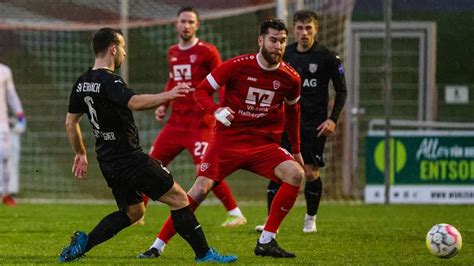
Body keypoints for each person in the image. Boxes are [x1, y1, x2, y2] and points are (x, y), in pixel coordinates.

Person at [58, 27, 236, 264]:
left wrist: (80, 153)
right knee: (180, 199)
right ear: (113, 48)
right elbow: (135, 102)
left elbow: (71, 122)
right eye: (122, 48)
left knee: (134, 212)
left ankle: (83, 244)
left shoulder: (82, 82)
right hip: (130, 158)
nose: (124, 54)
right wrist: (168, 95)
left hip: (107, 160)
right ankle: (204, 254)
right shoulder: (110, 80)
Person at [138, 19, 305, 259]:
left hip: (263, 145)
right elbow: (202, 91)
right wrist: (216, 110)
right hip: (227, 140)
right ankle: (157, 246)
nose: (277, 46)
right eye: (272, 40)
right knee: (199, 189)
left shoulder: (291, 78)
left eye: (282, 41)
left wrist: (296, 149)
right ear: (260, 41)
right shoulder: (237, 66)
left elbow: (293, 113)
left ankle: (267, 241)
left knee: (296, 174)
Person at [140, 6, 246, 231]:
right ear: (176, 24)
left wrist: (221, 109)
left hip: (200, 123)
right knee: (150, 165)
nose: (186, 25)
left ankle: (235, 213)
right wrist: (163, 104)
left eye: (190, 22)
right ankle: (138, 212)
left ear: (197, 25)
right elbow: (172, 82)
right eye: (183, 21)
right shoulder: (173, 52)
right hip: (176, 123)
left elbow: (222, 80)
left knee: (205, 170)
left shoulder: (207, 51)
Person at [256, 10, 347, 233]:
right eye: (299, 28)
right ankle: (271, 224)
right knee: (277, 169)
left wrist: (332, 120)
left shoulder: (328, 57)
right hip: (285, 124)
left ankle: (310, 219)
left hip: (314, 125)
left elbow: (341, 90)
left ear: (316, 29)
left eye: (308, 28)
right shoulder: (285, 55)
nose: (304, 33)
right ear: (294, 29)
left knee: (310, 172)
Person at [0, 63, 26, 206]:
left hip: (1, 123)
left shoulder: (4, 71)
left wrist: (21, 117)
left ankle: (6, 194)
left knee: (4, 156)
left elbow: (12, 96)